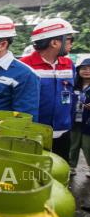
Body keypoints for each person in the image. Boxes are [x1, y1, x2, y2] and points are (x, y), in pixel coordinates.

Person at [20, 18, 78, 163]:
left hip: (63, 131)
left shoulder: (68, 64)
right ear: (54, 42)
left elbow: (70, 95)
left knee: (61, 170)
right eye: (69, 39)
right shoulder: (25, 65)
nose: (71, 43)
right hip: (34, 133)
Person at [69, 59, 90, 177]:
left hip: (88, 122)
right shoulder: (73, 85)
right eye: (83, 68)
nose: (87, 71)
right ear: (78, 71)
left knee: (88, 146)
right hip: (74, 121)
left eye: (89, 68)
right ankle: (71, 166)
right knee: (73, 145)